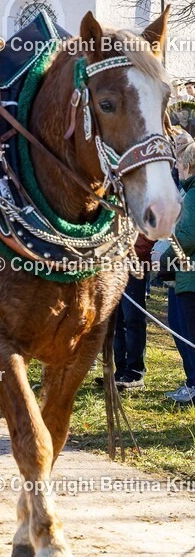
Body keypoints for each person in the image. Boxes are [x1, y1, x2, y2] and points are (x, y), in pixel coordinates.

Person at [163, 140, 195, 404]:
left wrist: (162, 260)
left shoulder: (193, 194)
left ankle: (194, 384)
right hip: (185, 275)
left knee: (188, 333)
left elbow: (187, 236)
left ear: (189, 165)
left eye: (180, 165)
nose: (177, 169)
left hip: (189, 276)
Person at [113, 234, 154, 390]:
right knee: (116, 321)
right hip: (113, 267)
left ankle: (135, 374)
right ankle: (120, 371)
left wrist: (125, 249)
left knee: (133, 319)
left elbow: (151, 236)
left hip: (135, 265)